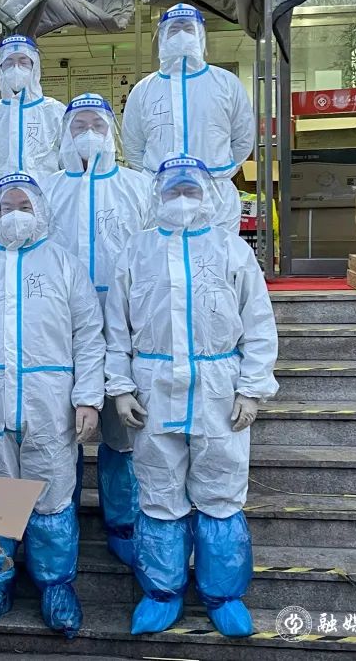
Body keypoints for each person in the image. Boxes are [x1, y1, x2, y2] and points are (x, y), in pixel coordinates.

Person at [104, 155, 278, 637]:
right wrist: (120, 387)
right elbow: (116, 328)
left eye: (191, 191)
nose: (181, 200)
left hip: (217, 387)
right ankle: (162, 593)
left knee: (221, 490)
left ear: (208, 195)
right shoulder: (136, 251)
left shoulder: (232, 251)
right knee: (158, 491)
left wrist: (251, 390)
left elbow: (259, 324)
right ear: (157, 196)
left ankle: (224, 595)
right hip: (153, 386)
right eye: (173, 191)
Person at [0, 172, 105, 638]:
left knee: (52, 495)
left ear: (40, 211)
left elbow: (89, 336)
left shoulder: (64, 266)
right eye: (6, 207)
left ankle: (55, 587)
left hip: (49, 403)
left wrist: (88, 397)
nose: (14, 215)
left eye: (24, 206)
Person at [40, 93, 152, 568]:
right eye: (78, 125)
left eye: (97, 125)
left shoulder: (138, 187)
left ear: (112, 133)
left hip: (125, 324)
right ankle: (55, 518)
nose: (88, 133)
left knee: (120, 434)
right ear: (64, 134)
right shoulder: (45, 190)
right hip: (57, 331)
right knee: (56, 430)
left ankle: (123, 524)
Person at [121, 4, 255, 233]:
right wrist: (156, 178)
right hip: (161, 195)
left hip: (216, 196)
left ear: (201, 35)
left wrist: (221, 171)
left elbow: (243, 137)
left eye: (188, 28)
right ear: (162, 37)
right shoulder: (143, 90)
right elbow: (133, 144)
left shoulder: (226, 83)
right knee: (163, 254)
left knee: (215, 254)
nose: (181, 35)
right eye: (174, 29)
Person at [0, 35, 65, 188]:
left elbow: (69, 164)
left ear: (34, 67)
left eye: (23, 62)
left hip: (48, 198)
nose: (16, 68)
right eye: (9, 63)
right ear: (0, 68)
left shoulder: (55, 112)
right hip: (2, 199)